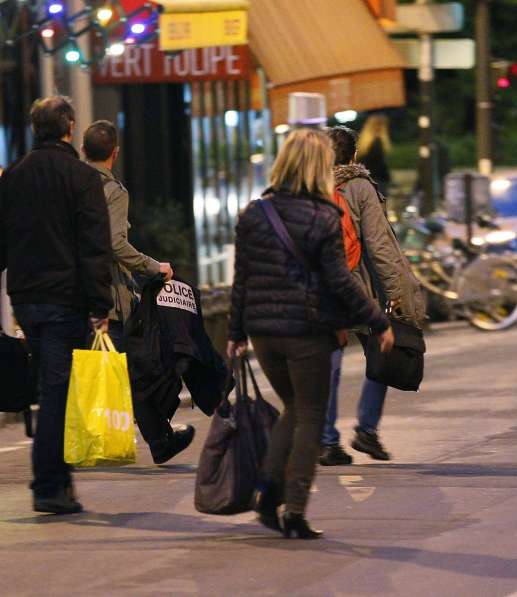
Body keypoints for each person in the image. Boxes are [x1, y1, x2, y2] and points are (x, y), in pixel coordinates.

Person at [227, 129, 394, 539]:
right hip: (306, 333)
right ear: (319, 167)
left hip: (264, 335)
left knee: (292, 407)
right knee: (310, 416)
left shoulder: (254, 213)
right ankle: (295, 510)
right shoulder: (324, 216)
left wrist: (235, 332)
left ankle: (268, 490)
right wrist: (378, 321)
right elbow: (340, 282)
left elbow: (242, 278)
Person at [0, 96, 113, 515]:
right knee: (56, 391)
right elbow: (94, 247)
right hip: (65, 300)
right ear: (69, 126)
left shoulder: (13, 176)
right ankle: (48, 485)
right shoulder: (82, 178)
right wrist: (100, 303)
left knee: (51, 388)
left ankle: (59, 479)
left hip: (27, 299)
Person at [81, 119, 194, 465]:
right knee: (133, 370)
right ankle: (157, 439)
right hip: (107, 295)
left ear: (83, 151)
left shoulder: (71, 184)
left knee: (93, 368)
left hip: (70, 290)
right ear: (115, 153)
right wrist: (152, 266)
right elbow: (115, 243)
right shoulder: (113, 191)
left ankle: (157, 439)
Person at [320, 126, 426, 466]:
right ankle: (366, 429)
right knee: (383, 348)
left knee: (329, 361)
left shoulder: (305, 186)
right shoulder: (360, 186)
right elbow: (380, 247)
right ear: (354, 155)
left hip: (319, 286)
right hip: (358, 286)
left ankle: (326, 440)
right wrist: (398, 294)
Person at [357, 115, 392, 196]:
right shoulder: (378, 143)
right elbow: (380, 166)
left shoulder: (363, 144)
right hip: (378, 181)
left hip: (364, 181)